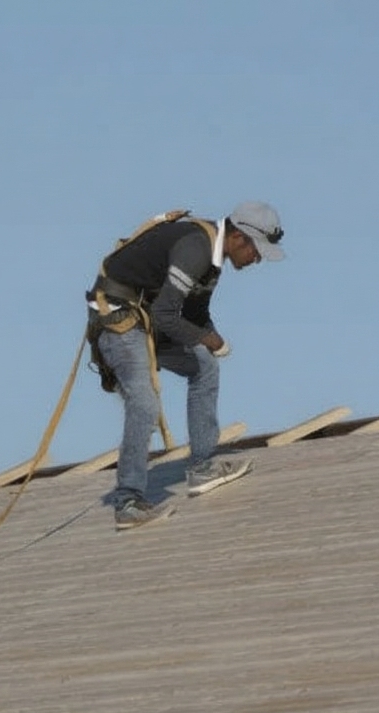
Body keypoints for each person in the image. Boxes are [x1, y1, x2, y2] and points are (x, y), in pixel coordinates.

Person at [86, 202, 286, 531]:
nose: (258, 259)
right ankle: (128, 501)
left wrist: (212, 337)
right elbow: (166, 314)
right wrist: (211, 340)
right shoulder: (196, 249)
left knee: (204, 366)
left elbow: (192, 315)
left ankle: (202, 468)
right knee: (145, 403)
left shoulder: (212, 261)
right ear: (237, 237)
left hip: (147, 318)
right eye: (257, 251)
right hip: (119, 320)